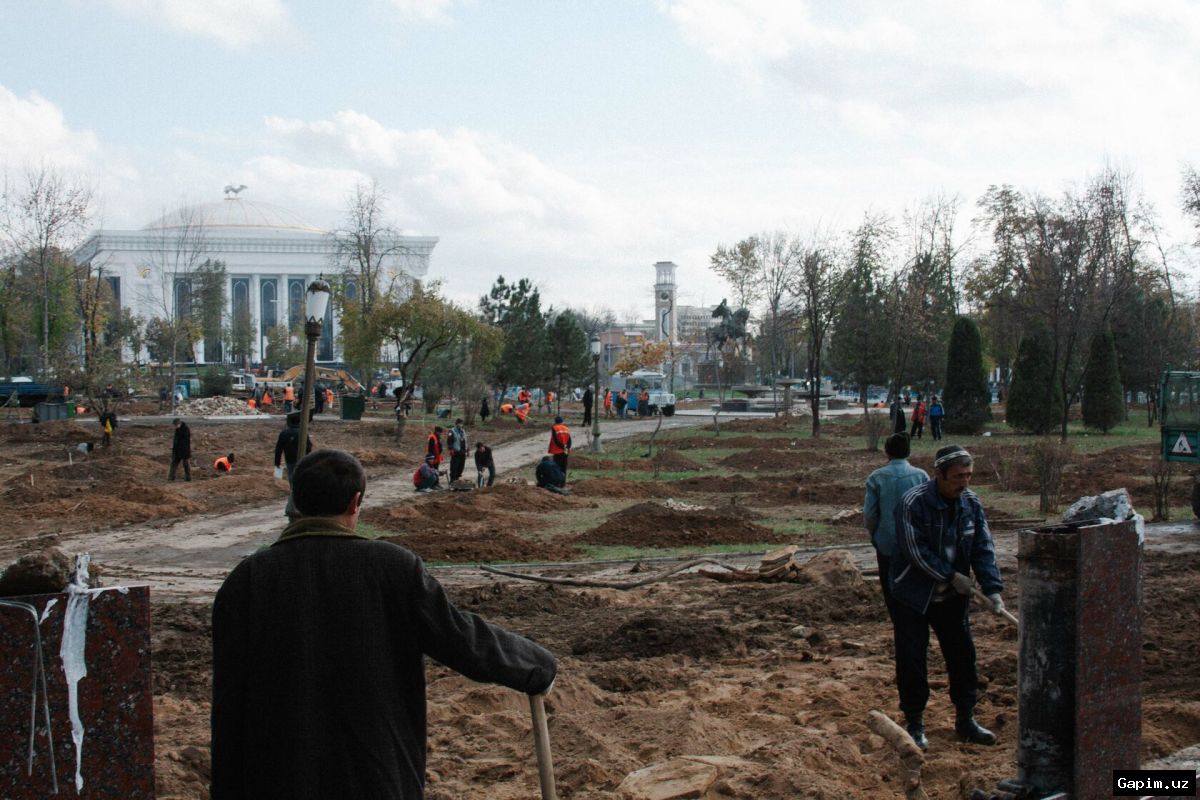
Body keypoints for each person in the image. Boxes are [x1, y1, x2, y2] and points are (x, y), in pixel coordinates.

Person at [212, 449, 555, 799]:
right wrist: (534, 666)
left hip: (276, 779)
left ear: (295, 499)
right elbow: (461, 639)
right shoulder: (392, 568)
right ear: (356, 502)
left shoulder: (246, 581)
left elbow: (227, 707)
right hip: (375, 777)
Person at [890, 444, 1005, 750]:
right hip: (913, 595)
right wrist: (951, 575)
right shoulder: (912, 503)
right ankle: (915, 724)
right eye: (957, 476)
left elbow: (983, 546)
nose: (964, 482)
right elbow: (915, 552)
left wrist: (993, 588)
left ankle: (966, 720)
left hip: (953, 598)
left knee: (963, 656)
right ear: (939, 475)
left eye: (968, 475)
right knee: (912, 659)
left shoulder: (971, 503)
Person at [863, 433, 926, 613]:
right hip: (915, 544)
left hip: (886, 542)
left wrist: (874, 534)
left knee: (890, 588)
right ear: (908, 451)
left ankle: (897, 617)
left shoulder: (877, 477)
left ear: (887, 452)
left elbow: (870, 514)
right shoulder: (921, 476)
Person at [274, 412, 313, 486]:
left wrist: (277, 462)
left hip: (289, 459)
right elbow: (309, 446)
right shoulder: (302, 433)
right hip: (302, 458)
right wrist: (307, 457)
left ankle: (293, 492)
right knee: (301, 475)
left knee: (291, 475)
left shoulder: (284, 433)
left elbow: (278, 449)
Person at [447, 418, 468, 483]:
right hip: (456, 451)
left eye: (462, 423)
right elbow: (449, 441)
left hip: (463, 451)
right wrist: (451, 449)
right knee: (454, 466)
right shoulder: (452, 431)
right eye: (460, 423)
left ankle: (457, 478)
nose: (461, 425)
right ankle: (452, 480)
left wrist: (467, 449)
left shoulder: (463, 431)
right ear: (456, 424)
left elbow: (465, 440)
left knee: (461, 466)